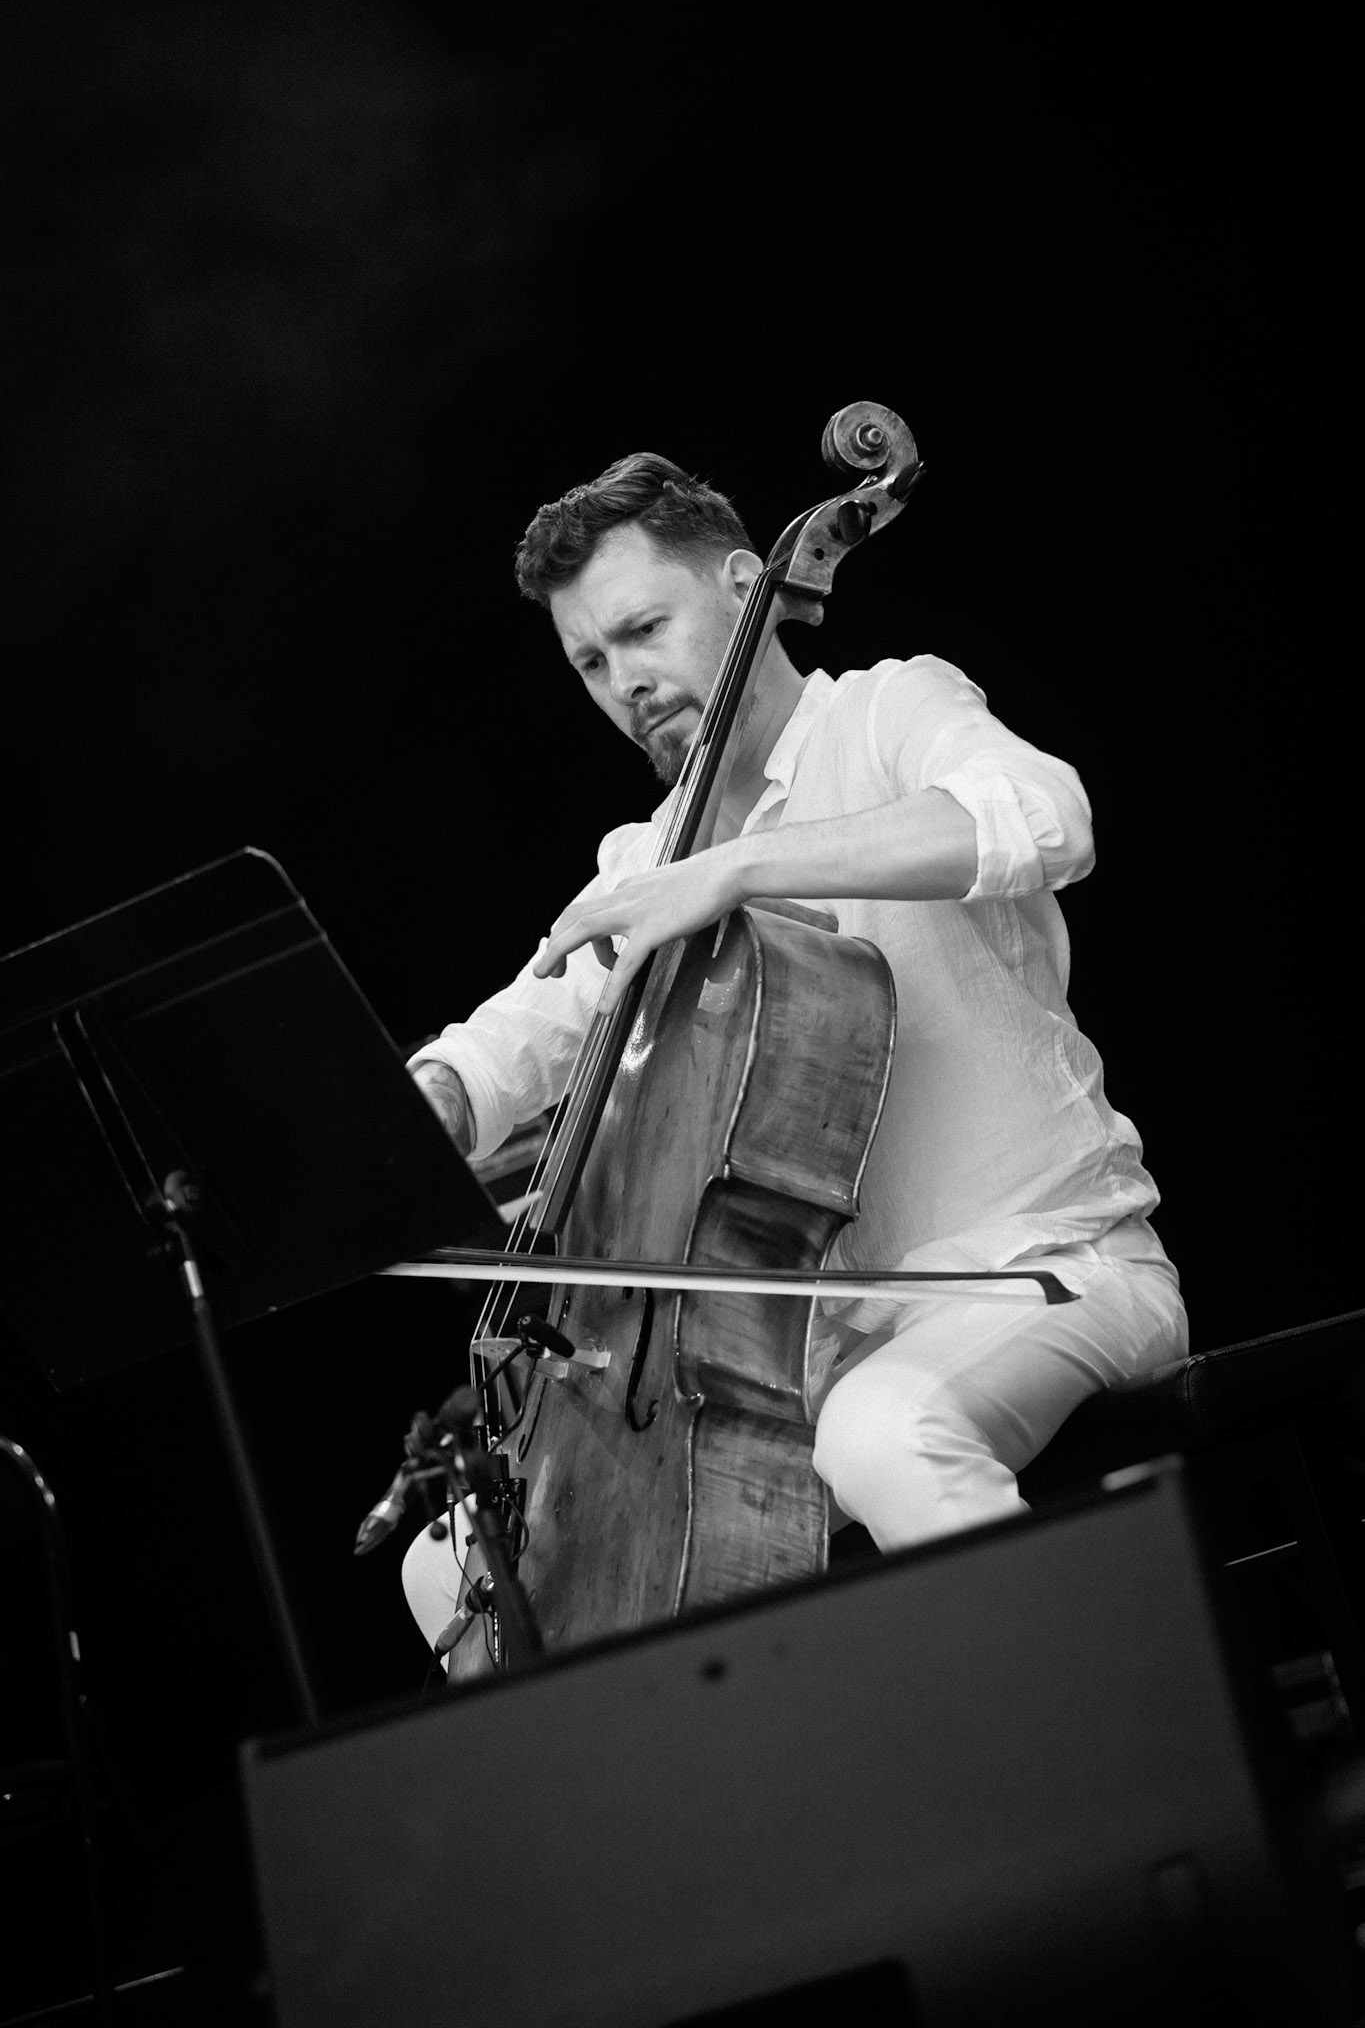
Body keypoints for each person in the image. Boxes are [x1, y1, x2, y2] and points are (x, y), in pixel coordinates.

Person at [401, 452, 1188, 1655]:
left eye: (643, 629)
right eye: (591, 664)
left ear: (742, 583)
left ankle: (1128, 1755)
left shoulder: (886, 713)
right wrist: (436, 1094)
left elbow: (1042, 815)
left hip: (1048, 1269)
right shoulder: (651, 854)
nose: (625, 682)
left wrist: (739, 867)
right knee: (454, 1563)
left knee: (886, 1430)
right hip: (797, 1373)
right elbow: (537, 1019)